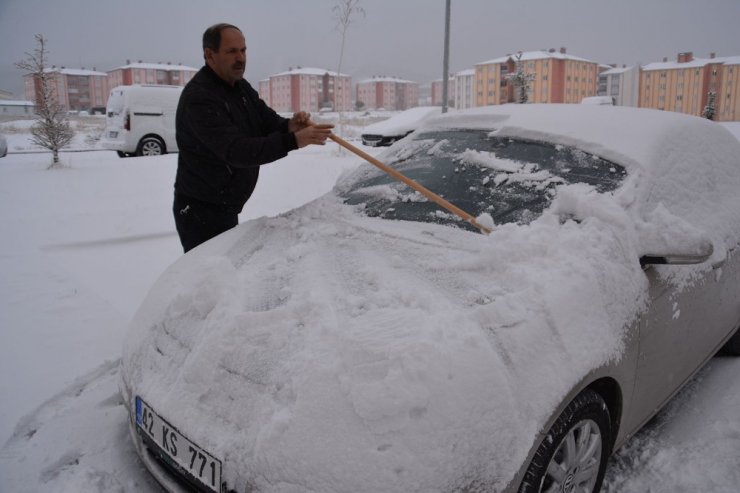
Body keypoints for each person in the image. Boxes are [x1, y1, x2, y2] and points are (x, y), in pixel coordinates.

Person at [173, 23, 334, 252]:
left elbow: (265, 121)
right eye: (231, 51)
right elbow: (236, 151)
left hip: (224, 206)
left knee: (226, 272)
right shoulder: (200, 99)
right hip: (200, 211)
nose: (240, 58)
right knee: (210, 281)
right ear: (209, 54)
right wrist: (294, 141)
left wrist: (290, 126)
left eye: (243, 50)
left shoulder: (239, 87)